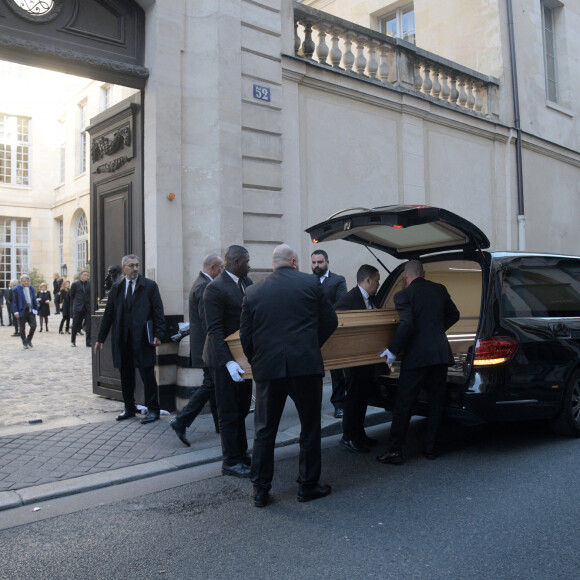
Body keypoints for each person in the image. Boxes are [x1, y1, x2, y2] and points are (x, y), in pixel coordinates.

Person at [241, 244, 338, 507]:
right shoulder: (311, 283)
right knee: (310, 427)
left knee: (264, 430)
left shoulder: (253, 291)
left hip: (268, 369)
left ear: (274, 264)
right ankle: (307, 486)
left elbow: (245, 336)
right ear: (294, 261)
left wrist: (257, 360)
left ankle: (260, 490)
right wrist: (309, 346)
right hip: (304, 366)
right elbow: (331, 321)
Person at [376, 259, 460, 464]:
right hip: (440, 355)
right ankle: (431, 449)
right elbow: (454, 314)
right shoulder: (440, 289)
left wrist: (393, 350)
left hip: (416, 357)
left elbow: (407, 324)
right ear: (423, 274)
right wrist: (436, 331)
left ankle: (396, 451)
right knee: (435, 402)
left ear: (406, 276)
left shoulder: (403, 295)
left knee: (404, 403)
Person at [94, 254, 166, 424]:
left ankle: (153, 410)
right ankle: (129, 408)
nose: (135, 269)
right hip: (123, 339)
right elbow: (108, 314)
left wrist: (158, 334)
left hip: (142, 340)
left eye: (137, 265)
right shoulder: (117, 287)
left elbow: (158, 312)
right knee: (126, 375)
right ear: (124, 268)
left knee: (147, 375)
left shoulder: (149, 286)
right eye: (131, 266)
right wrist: (100, 338)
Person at [202, 245, 253, 478]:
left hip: (243, 358)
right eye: (246, 261)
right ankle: (230, 461)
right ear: (234, 261)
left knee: (242, 409)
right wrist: (228, 363)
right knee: (229, 411)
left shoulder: (246, 283)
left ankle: (241, 453)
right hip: (223, 360)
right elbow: (214, 330)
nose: (249, 265)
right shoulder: (215, 289)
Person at [169, 253, 223, 446]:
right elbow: (208, 319)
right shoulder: (204, 286)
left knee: (214, 385)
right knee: (210, 384)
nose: (223, 272)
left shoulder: (201, 283)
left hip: (204, 347)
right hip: (207, 348)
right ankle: (181, 421)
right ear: (213, 267)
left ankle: (220, 425)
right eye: (221, 268)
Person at [335, 264, 382, 454]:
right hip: (354, 358)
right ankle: (348, 437)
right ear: (368, 280)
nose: (378, 284)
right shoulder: (348, 299)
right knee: (353, 398)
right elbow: (336, 322)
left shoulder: (372, 298)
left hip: (368, 358)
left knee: (362, 397)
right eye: (377, 280)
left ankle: (359, 433)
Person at [311, 249, 347, 418]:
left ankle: (339, 404)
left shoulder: (338, 280)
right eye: (314, 262)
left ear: (327, 262)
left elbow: (340, 303)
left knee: (337, 371)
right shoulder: (308, 281)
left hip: (332, 331)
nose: (316, 265)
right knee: (313, 370)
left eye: (320, 262)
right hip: (311, 332)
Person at [11, 274, 38, 349]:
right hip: (21, 311)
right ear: (21, 281)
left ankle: (29, 339)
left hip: (30, 310)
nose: (26, 282)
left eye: (27, 281)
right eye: (24, 281)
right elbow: (14, 301)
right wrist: (15, 311)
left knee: (34, 325)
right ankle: (24, 342)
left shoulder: (31, 287)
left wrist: (35, 308)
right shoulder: (16, 289)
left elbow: (34, 298)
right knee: (22, 328)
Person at [69, 270, 91, 347]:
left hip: (87, 307)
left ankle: (88, 342)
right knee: (75, 324)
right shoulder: (75, 284)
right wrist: (76, 304)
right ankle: (73, 341)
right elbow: (71, 295)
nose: (86, 276)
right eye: (84, 275)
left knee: (89, 325)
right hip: (78, 307)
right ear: (80, 276)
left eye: (87, 275)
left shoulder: (89, 284)